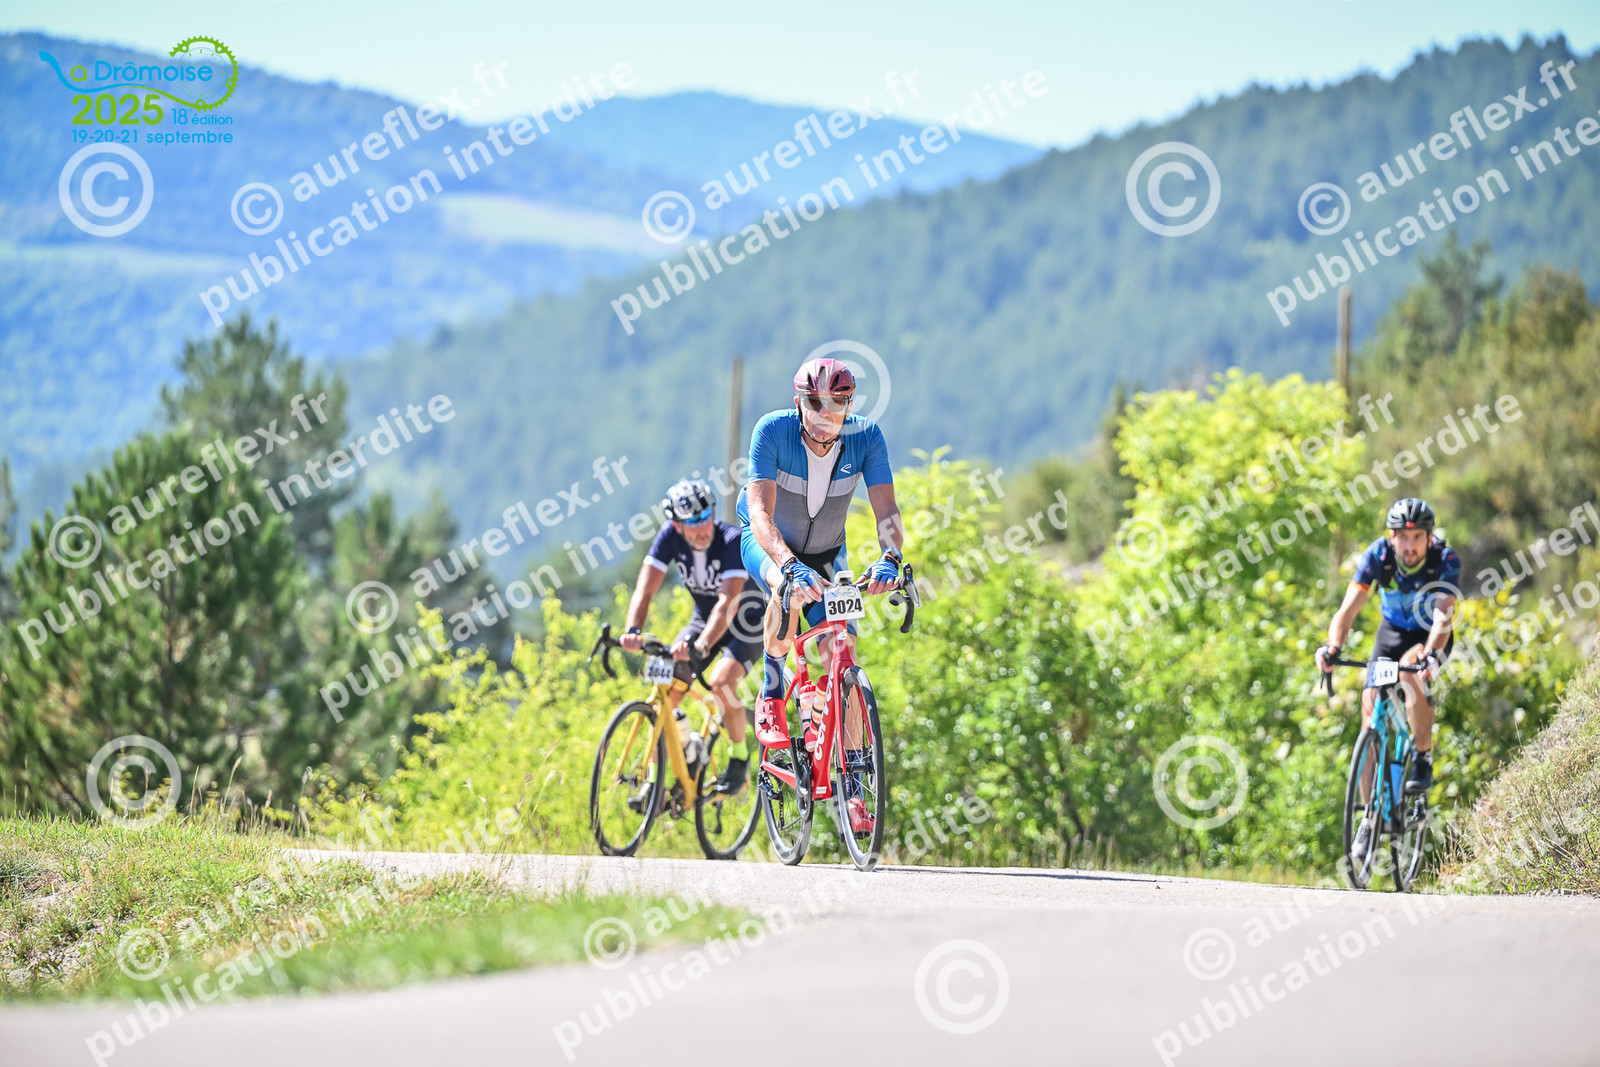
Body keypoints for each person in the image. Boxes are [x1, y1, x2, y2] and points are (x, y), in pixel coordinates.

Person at [737, 356, 905, 833]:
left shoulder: (866, 437)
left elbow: (887, 510)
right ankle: (772, 693)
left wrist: (891, 557)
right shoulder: (772, 431)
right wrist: (789, 566)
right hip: (769, 543)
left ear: (850, 405)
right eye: (814, 403)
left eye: (836, 404)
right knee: (786, 590)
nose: (824, 413)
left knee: (840, 652)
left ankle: (855, 790)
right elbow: (760, 512)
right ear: (799, 403)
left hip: (829, 552)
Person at [1316, 498, 1460, 857]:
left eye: (1417, 537)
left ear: (1428, 538)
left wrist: (1430, 654)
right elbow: (1349, 607)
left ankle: (1422, 755)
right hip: (1391, 633)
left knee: (1411, 674)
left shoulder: (1444, 560)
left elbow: (1443, 614)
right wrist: (1333, 647)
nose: (1409, 546)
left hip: (1430, 635)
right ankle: (1370, 817)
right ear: (1391, 537)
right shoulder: (1378, 556)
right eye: (1402, 537)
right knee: (1370, 713)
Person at [620, 478, 763, 807]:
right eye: (692, 522)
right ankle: (658, 782)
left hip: (747, 622)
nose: (701, 528)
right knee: (667, 694)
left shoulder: (731, 540)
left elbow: (727, 604)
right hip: (703, 619)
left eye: (706, 517)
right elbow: (645, 589)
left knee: (722, 681)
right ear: (677, 525)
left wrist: (702, 646)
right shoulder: (669, 537)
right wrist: (633, 630)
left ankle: (739, 759)